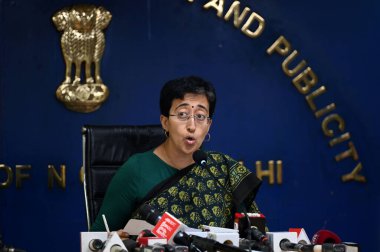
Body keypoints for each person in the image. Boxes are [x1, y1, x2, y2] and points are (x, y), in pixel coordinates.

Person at [90, 76, 262, 232]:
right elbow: (96, 240)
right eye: (182, 114)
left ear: (209, 125)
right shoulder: (136, 170)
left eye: (200, 116)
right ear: (165, 122)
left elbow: (251, 236)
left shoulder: (221, 171)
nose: (192, 126)